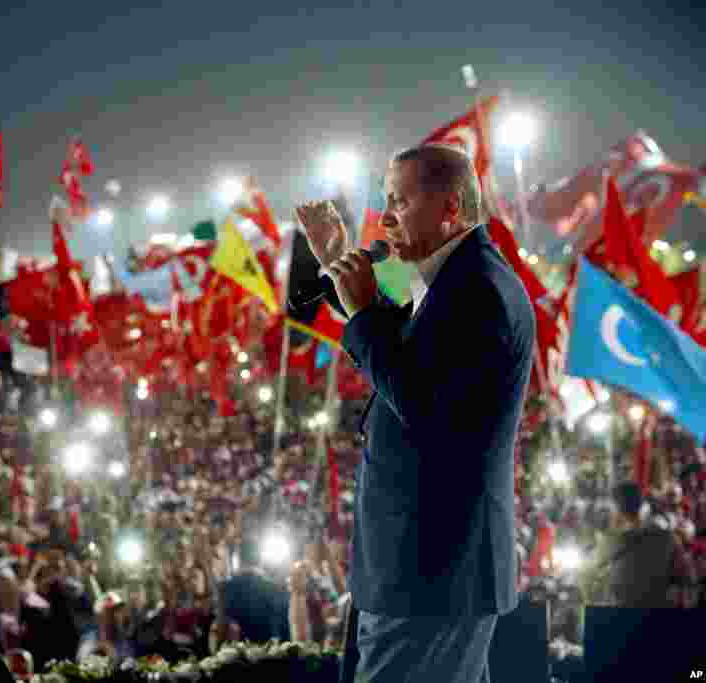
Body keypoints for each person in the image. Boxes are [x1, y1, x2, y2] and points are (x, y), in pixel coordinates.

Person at [298, 144, 535, 682]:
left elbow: (424, 404)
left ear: (449, 207)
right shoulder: (457, 278)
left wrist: (361, 311)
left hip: (432, 573)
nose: (383, 219)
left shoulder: (477, 290)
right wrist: (340, 267)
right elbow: (411, 354)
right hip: (428, 571)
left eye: (399, 202)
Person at [580, 481, 699, 608]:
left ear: (616, 510)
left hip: (621, 620)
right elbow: (689, 581)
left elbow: (585, 577)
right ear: (641, 506)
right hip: (659, 618)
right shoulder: (667, 537)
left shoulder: (611, 542)